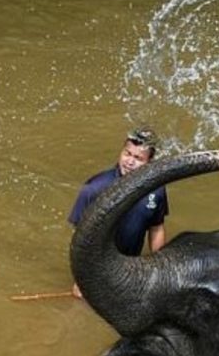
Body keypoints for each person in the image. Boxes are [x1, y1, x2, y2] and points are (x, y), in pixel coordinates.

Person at [68, 128, 169, 299]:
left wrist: (158, 270)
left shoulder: (156, 191)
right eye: (127, 153)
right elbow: (80, 238)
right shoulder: (95, 188)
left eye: (138, 158)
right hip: (98, 267)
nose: (129, 162)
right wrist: (82, 279)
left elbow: (156, 229)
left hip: (130, 266)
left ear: (150, 162)